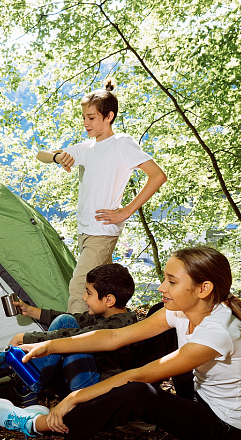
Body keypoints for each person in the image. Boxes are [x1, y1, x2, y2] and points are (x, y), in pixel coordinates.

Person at [0, 246, 241, 440]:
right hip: (199, 397)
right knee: (157, 324)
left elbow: (142, 376)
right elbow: (115, 338)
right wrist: (49, 345)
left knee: (138, 393)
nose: (161, 286)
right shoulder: (186, 311)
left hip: (225, 428)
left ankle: (35, 423)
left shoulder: (218, 331)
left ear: (203, 289)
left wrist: (75, 397)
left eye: (171, 281)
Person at [0, 264, 180, 407]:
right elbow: (70, 322)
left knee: (74, 343)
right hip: (80, 377)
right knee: (66, 320)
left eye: (88, 293)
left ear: (108, 299)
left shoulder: (120, 323)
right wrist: (30, 311)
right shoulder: (109, 314)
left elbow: (81, 335)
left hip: (96, 388)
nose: (84, 298)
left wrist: (30, 340)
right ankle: (25, 388)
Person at [36, 77, 167, 314]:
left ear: (109, 117)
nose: (86, 123)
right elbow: (40, 154)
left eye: (92, 118)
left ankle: (70, 342)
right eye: (84, 117)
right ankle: (110, 334)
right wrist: (58, 157)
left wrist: (125, 212)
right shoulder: (87, 148)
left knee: (79, 289)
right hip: (85, 230)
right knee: (103, 291)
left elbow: (158, 175)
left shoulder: (121, 143)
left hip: (102, 230)